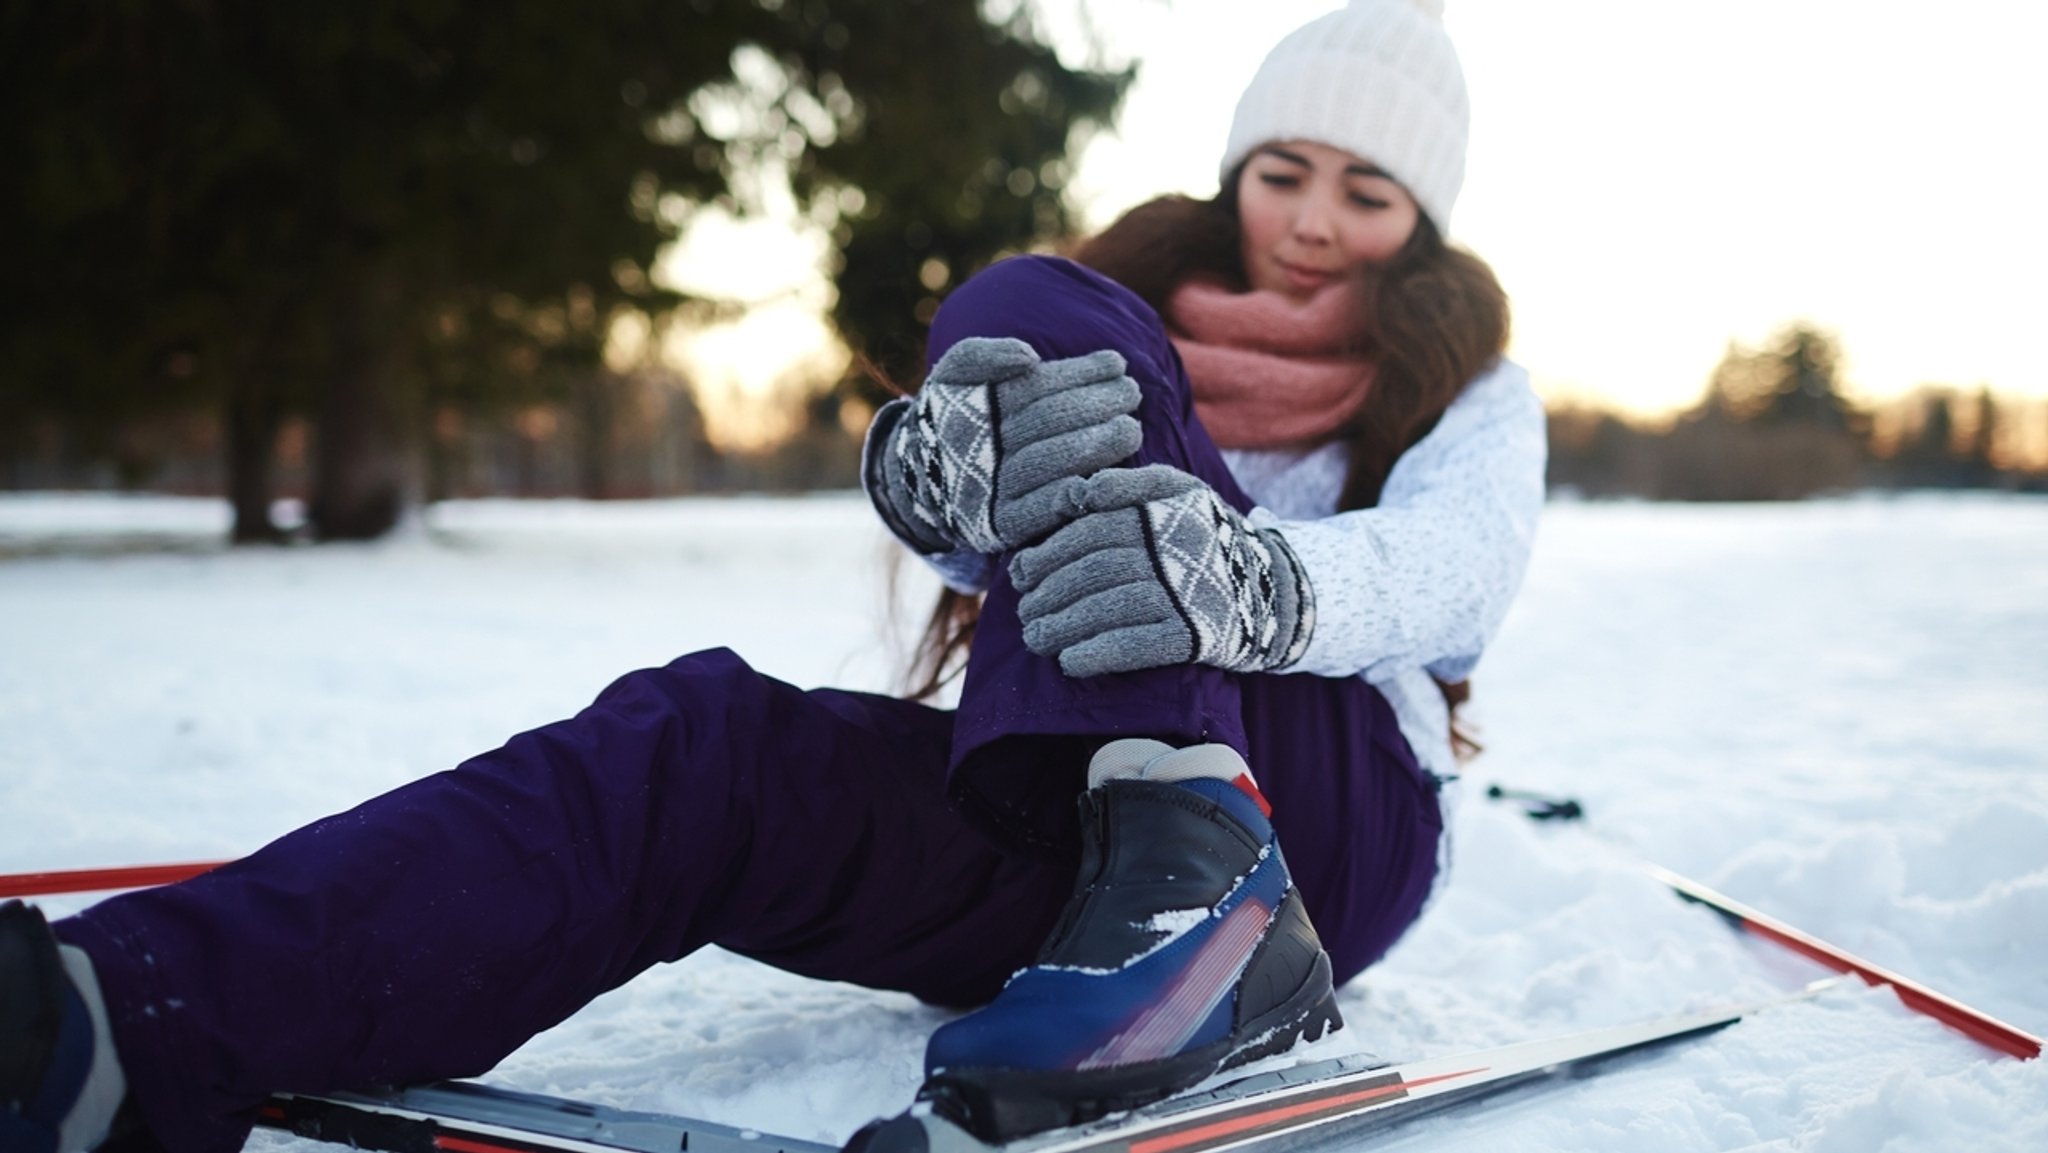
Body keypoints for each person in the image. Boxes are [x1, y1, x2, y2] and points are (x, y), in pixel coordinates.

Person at [0, 2, 1544, 1150]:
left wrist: (1255, 586)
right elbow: (1027, 543)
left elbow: (1454, 568)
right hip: (1068, 816)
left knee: (1053, 324)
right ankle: (116, 1025)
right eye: (1288, 171)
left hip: (1326, 825)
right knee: (707, 745)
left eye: (1368, 192)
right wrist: (945, 494)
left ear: (1421, 226)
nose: (1316, 222)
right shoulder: (1123, 313)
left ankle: (1206, 890)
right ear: (1237, 173)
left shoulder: (1465, 385)